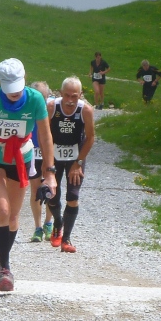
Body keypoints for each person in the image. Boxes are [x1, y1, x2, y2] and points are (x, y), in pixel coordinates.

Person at [0, 59, 57, 292]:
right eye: (8, 88)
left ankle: (1, 261)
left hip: (20, 157)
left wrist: (50, 173)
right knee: (3, 209)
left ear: (24, 80)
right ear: (0, 83)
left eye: (17, 87)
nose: (14, 93)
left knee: (14, 216)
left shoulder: (35, 100)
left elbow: (46, 136)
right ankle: (5, 268)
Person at [46, 76, 95, 253]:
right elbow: (45, 135)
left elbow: (90, 137)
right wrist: (47, 162)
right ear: (60, 93)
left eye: (74, 96)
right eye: (66, 95)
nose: (70, 100)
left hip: (76, 156)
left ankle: (66, 239)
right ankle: (58, 223)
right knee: (51, 194)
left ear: (80, 95)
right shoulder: (52, 107)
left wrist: (78, 163)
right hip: (54, 155)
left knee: (72, 196)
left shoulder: (85, 110)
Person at [28, 81, 55, 242]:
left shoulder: (52, 107)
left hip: (49, 152)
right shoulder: (26, 106)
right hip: (32, 152)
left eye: (44, 97)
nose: (41, 101)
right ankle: (37, 227)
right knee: (35, 189)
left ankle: (48, 223)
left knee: (50, 189)